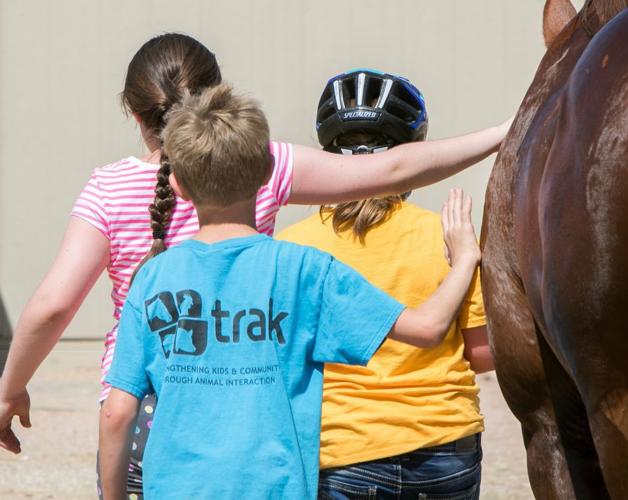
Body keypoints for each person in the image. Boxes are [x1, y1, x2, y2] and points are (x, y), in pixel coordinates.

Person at [0, 33, 507, 495]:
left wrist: (10, 389)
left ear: (133, 113)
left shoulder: (111, 194)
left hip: (150, 417)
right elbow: (392, 167)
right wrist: (508, 130)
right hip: (255, 418)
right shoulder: (267, 170)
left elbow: (53, 306)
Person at [98, 82, 481, 499]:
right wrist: (464, 260)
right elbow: (427, 328)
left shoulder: (153, 278)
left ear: (179, 186)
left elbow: (118, 412)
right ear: (268, 173)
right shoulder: (305, 269)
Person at [278, 69, 493, 500]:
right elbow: (483, 355)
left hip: (344, 452)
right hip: (444, 448)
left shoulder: (291, 247)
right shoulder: (446, 236)